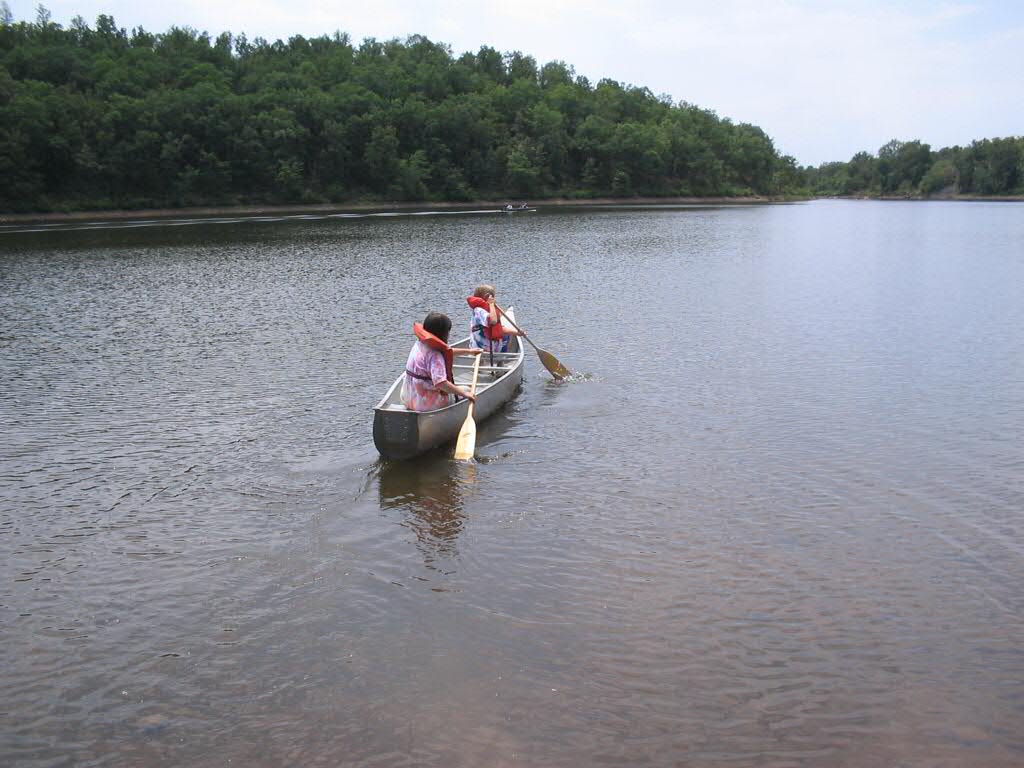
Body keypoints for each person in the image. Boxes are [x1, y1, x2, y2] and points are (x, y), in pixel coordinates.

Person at [401, 312, 481, 412]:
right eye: (448, 332)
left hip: (409, 398)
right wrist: (464, 394)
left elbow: (447, 352)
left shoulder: (420, 344)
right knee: (469, 390)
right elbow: (441, 383)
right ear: (443, 333)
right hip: (426, 405)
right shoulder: (435, 355)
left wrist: (469, 351)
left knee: (460, 390)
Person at [467, 284, 525, 354]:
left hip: (489, 348)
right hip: (481, 349)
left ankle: (500, 361)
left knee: (507, 334)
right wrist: (491, 305)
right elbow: (493, 321)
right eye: (493, 297)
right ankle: (501, 361)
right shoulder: (478, 310)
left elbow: (498, 329)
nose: (494, 299)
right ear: (487, 297)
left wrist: (516, 332)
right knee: (506, 337)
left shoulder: (486, 309)